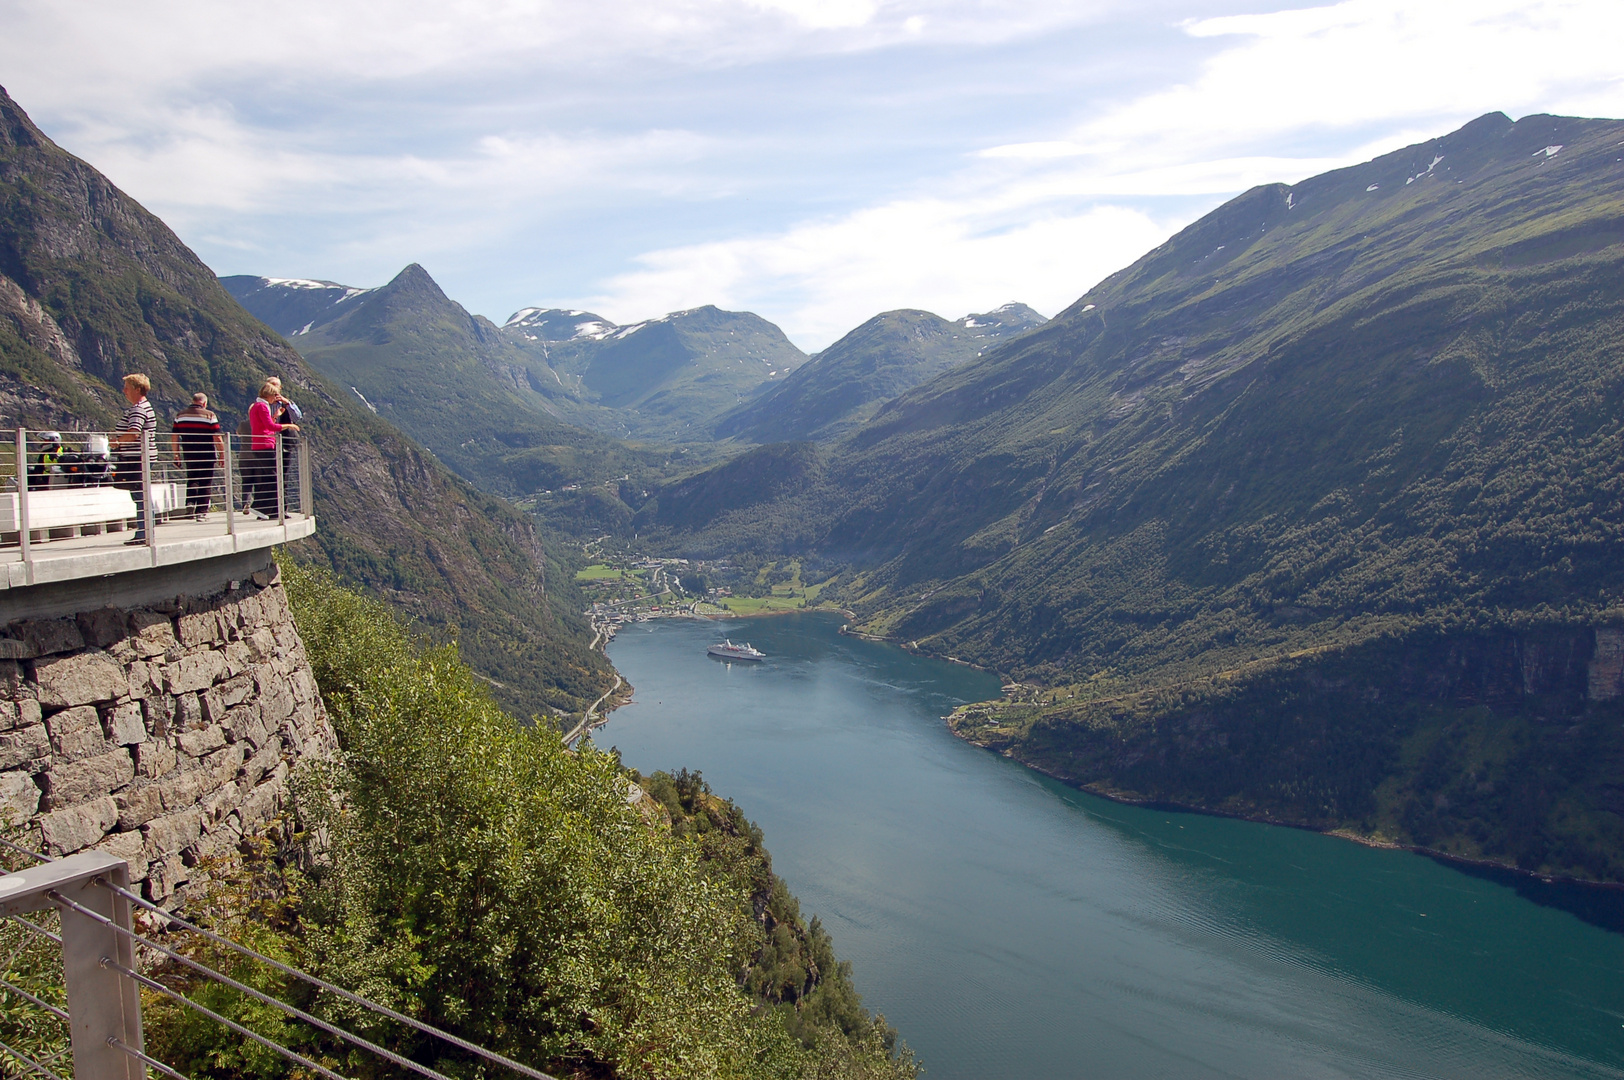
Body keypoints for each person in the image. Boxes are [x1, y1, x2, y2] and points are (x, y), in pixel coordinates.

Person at [111, 373, 156, 543]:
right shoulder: (145, 406)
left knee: (139, 494)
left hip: (138, 457)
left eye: (127, 388)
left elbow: (134, 433)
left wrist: (116, 442)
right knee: (141, 493)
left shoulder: (138, 409)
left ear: (138, 389)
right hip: (142, 456)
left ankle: (144, 533)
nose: (124, 391)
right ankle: (146, 531)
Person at [245, 380, 299, 518]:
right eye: (275, 395)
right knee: (274, 477)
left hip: (259, 444)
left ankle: (268, 510)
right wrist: (288, 426)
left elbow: (264, 424)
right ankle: (259, 508)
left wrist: (275, 416)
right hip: (265, 444)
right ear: (269, 394)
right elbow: (269, 427)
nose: (276, 398)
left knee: (270, 476)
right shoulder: (262, 407)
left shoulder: (256, 406)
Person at [171, 393, 224, 520]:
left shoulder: (180, 415)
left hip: (189, 453)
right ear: (204, 403)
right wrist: (222, 454)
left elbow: (174, 437)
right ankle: (201, 511)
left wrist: (176, 454)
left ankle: (190, 504)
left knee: (192, 478)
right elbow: (217, 437)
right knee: (205, 481)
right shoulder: (209, 415)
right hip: (207, 453)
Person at [265, 377, 303, 509]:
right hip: (269, 443)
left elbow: (297, 417)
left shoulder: (286, 404)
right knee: (269, 476)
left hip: (285, 444)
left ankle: (282, 508)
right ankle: (269, 507)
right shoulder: (263, 405)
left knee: (283, 476)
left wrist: (287, 403)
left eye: (276, 386)